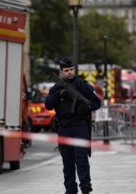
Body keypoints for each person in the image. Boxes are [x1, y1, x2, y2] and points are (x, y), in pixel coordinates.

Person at [45, 57, 101, 194]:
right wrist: (59, 94)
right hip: (64, 127)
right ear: (61, 72)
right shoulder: (56, 87)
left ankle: (86, 189)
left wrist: (87, 107)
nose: (70, 72)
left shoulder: (83, 85)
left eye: (71, 69)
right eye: (66, 70)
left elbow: (97, 103)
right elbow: (48, 105)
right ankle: (70, 190)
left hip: (80, 126)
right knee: (67, 162)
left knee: (81, 160)